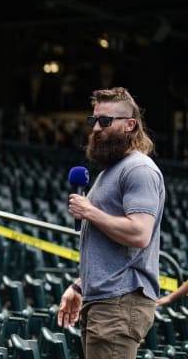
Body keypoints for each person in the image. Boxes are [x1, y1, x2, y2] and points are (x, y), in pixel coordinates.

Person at [58, 87, 165, 358]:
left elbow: (140, 233)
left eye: (105, 121)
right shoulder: (112, 170)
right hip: (104, 301)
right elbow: (112, 248)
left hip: (120, 302)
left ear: (130, 125)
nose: (96, 128)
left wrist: (89, 211)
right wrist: (80, 285)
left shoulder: (138, 169)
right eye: (93, 120)